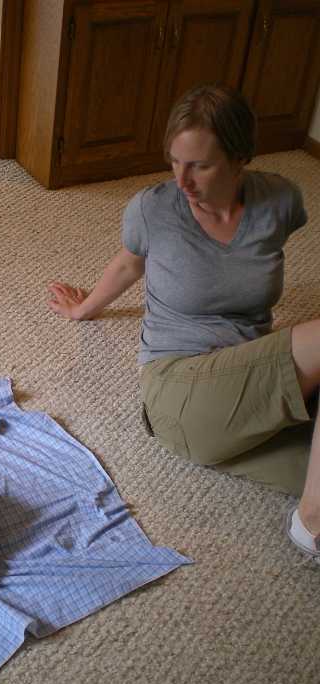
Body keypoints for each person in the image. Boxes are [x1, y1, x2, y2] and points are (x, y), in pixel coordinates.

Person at [48, 84, 320, 560]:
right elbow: (129, 263)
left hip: (248, 381)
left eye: (200, 165)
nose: (183, 180)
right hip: (179, 390)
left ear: (240, 158)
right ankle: (310, 523)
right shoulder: (154, 209)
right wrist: (83, 308)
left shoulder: (279, 200)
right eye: (175, 162)